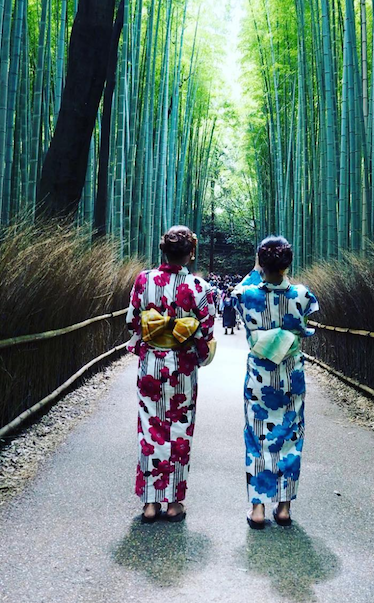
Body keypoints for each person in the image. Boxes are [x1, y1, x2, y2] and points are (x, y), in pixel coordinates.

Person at [126, 225, 216, 523]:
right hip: (182, 367)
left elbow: (133, 322)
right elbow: (206, 332)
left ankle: (150, 503)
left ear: (163, 249)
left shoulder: (143, 279)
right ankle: (174, 501)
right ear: (191, 253)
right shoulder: (199, 287)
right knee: (180, 430)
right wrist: (195, 350)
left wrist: (154, 332)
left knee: (151, 429)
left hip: (151, 363)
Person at [233, 236, 319, 529]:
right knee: (291, 438)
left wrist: (257, 269)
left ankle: (257, 508)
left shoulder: (247, 295)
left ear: (260, 262)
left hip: (259, 375)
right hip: (291, 374)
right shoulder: (302, 295)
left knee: (257, 438)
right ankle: (283, 508)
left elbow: (239, 289)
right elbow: (307, 327)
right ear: (288, 262)